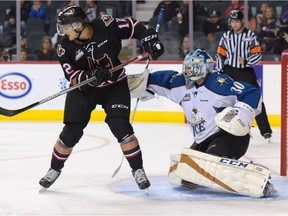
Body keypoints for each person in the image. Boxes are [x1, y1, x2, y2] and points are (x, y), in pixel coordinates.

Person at [39, 5, 164, 191]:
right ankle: (54, 169)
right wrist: (89, 76)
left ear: (79, 24)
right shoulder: (64, 47)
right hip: (84, 89)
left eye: (66, 27)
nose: (63, 31)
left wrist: (148, 37)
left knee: (121, 127)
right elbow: (72, 74)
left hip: (114, 85)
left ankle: (138, 170)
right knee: (71, 132)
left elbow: (132, 26)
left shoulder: (105, 25)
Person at [142, 49, 275, 197]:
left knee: (212, 164)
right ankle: (225, 164)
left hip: (230, 137)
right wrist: (142, 81)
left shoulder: (218, 82)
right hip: (203, 141)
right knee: (183, 173)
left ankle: (259, 181)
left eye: (190, 67)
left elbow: (252, 92)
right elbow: (164, 80)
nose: (186, 70)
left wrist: (242, 113)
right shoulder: (181, 85)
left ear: (201, 68)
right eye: (186, 66)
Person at [215, 10, 272, 140]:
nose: (234, 24)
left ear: (242, 22)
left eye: (237, 21)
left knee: (256, 99)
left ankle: (265, 130)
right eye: (232, 21)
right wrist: (220, 70)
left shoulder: (250, 36)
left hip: (245, 71)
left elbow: (257, 55)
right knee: (225, 99)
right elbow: (220, 55)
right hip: (229, 70)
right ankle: (223, 127)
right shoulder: (226, 36)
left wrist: (247, 61)